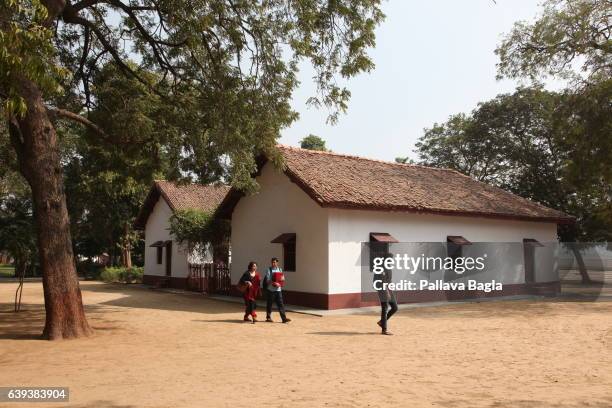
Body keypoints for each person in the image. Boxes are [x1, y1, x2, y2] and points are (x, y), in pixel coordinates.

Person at [373, 253, 398, 335]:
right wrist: (386, 292)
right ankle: (384, 329)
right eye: (390, 259)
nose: (391, 261)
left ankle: (382, 322)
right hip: (383, 290)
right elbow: (381, 281)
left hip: (388, 289)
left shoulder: (389, 267)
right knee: (385, 308)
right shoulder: (380, 267)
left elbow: (389, 280)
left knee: (395, 307)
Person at [264, 257, 291, 323]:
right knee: (269, 304)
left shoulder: (280, 269)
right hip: (271, 290)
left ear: (277, 263)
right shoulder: (269, 270)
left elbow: (283, 278)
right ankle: (268, 317)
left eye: (275, 262)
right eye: (272, 262)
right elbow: (267, 280)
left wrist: (280, 282)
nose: (273, 263)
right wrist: (274, 283)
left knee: (281, 304)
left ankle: (284, 318)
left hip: (278, 290)